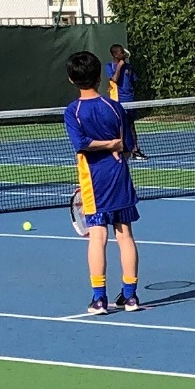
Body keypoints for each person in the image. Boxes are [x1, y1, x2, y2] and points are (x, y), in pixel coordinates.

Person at [65, 49, 142, 314]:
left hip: (95, 181)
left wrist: (108, 145)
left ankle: (100, 299)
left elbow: (82, 144)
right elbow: (125, 146)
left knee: (97, 236)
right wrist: (113, 144)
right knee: (125, 234)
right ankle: (131, 297)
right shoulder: (115, 107)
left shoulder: (73, 112)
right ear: (99, 76)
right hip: (118, 174)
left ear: (70, 79)